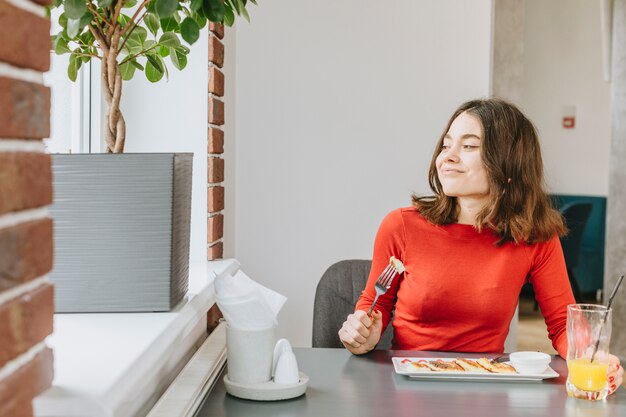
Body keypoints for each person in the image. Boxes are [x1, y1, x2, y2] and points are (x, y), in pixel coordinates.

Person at [338, 98, 623, 394]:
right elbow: (375, 307)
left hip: (487, 389)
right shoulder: (400, 226)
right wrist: (361, 336)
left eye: (469, 146)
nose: (447, 156)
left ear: (508, 163)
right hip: (409, 388)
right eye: (446, 145)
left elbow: (564, 326)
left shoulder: (536, 237)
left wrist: (593, 354)